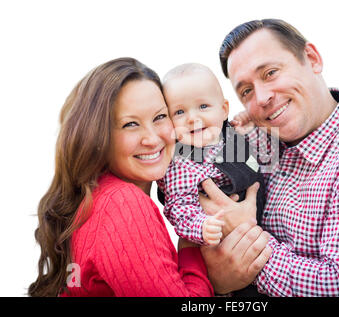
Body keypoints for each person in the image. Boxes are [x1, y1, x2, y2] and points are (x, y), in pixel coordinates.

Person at [199, 19, 339, 296]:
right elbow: (184, 151)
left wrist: (245, 242)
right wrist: (215, 283)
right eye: (246, 90)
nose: (262, 97)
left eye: (270, 73)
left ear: (312, 59)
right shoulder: (257, 140)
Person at [28, 57, 271, 297]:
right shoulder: (122, 204)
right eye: (130, 124)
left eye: (159, 117)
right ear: (98, 136)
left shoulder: (98, 196)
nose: (153, 138)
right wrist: (209, 273)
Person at [157, 63, 266, 246]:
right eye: (179, 112)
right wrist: (202, 226)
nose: (192, 118)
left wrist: (248, 121)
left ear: (223, 110)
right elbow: (179, 208)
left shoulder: (230, 134)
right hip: (223, 241)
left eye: (203, 106)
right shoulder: (181, 163)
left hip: (264, 224)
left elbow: (260, 151)